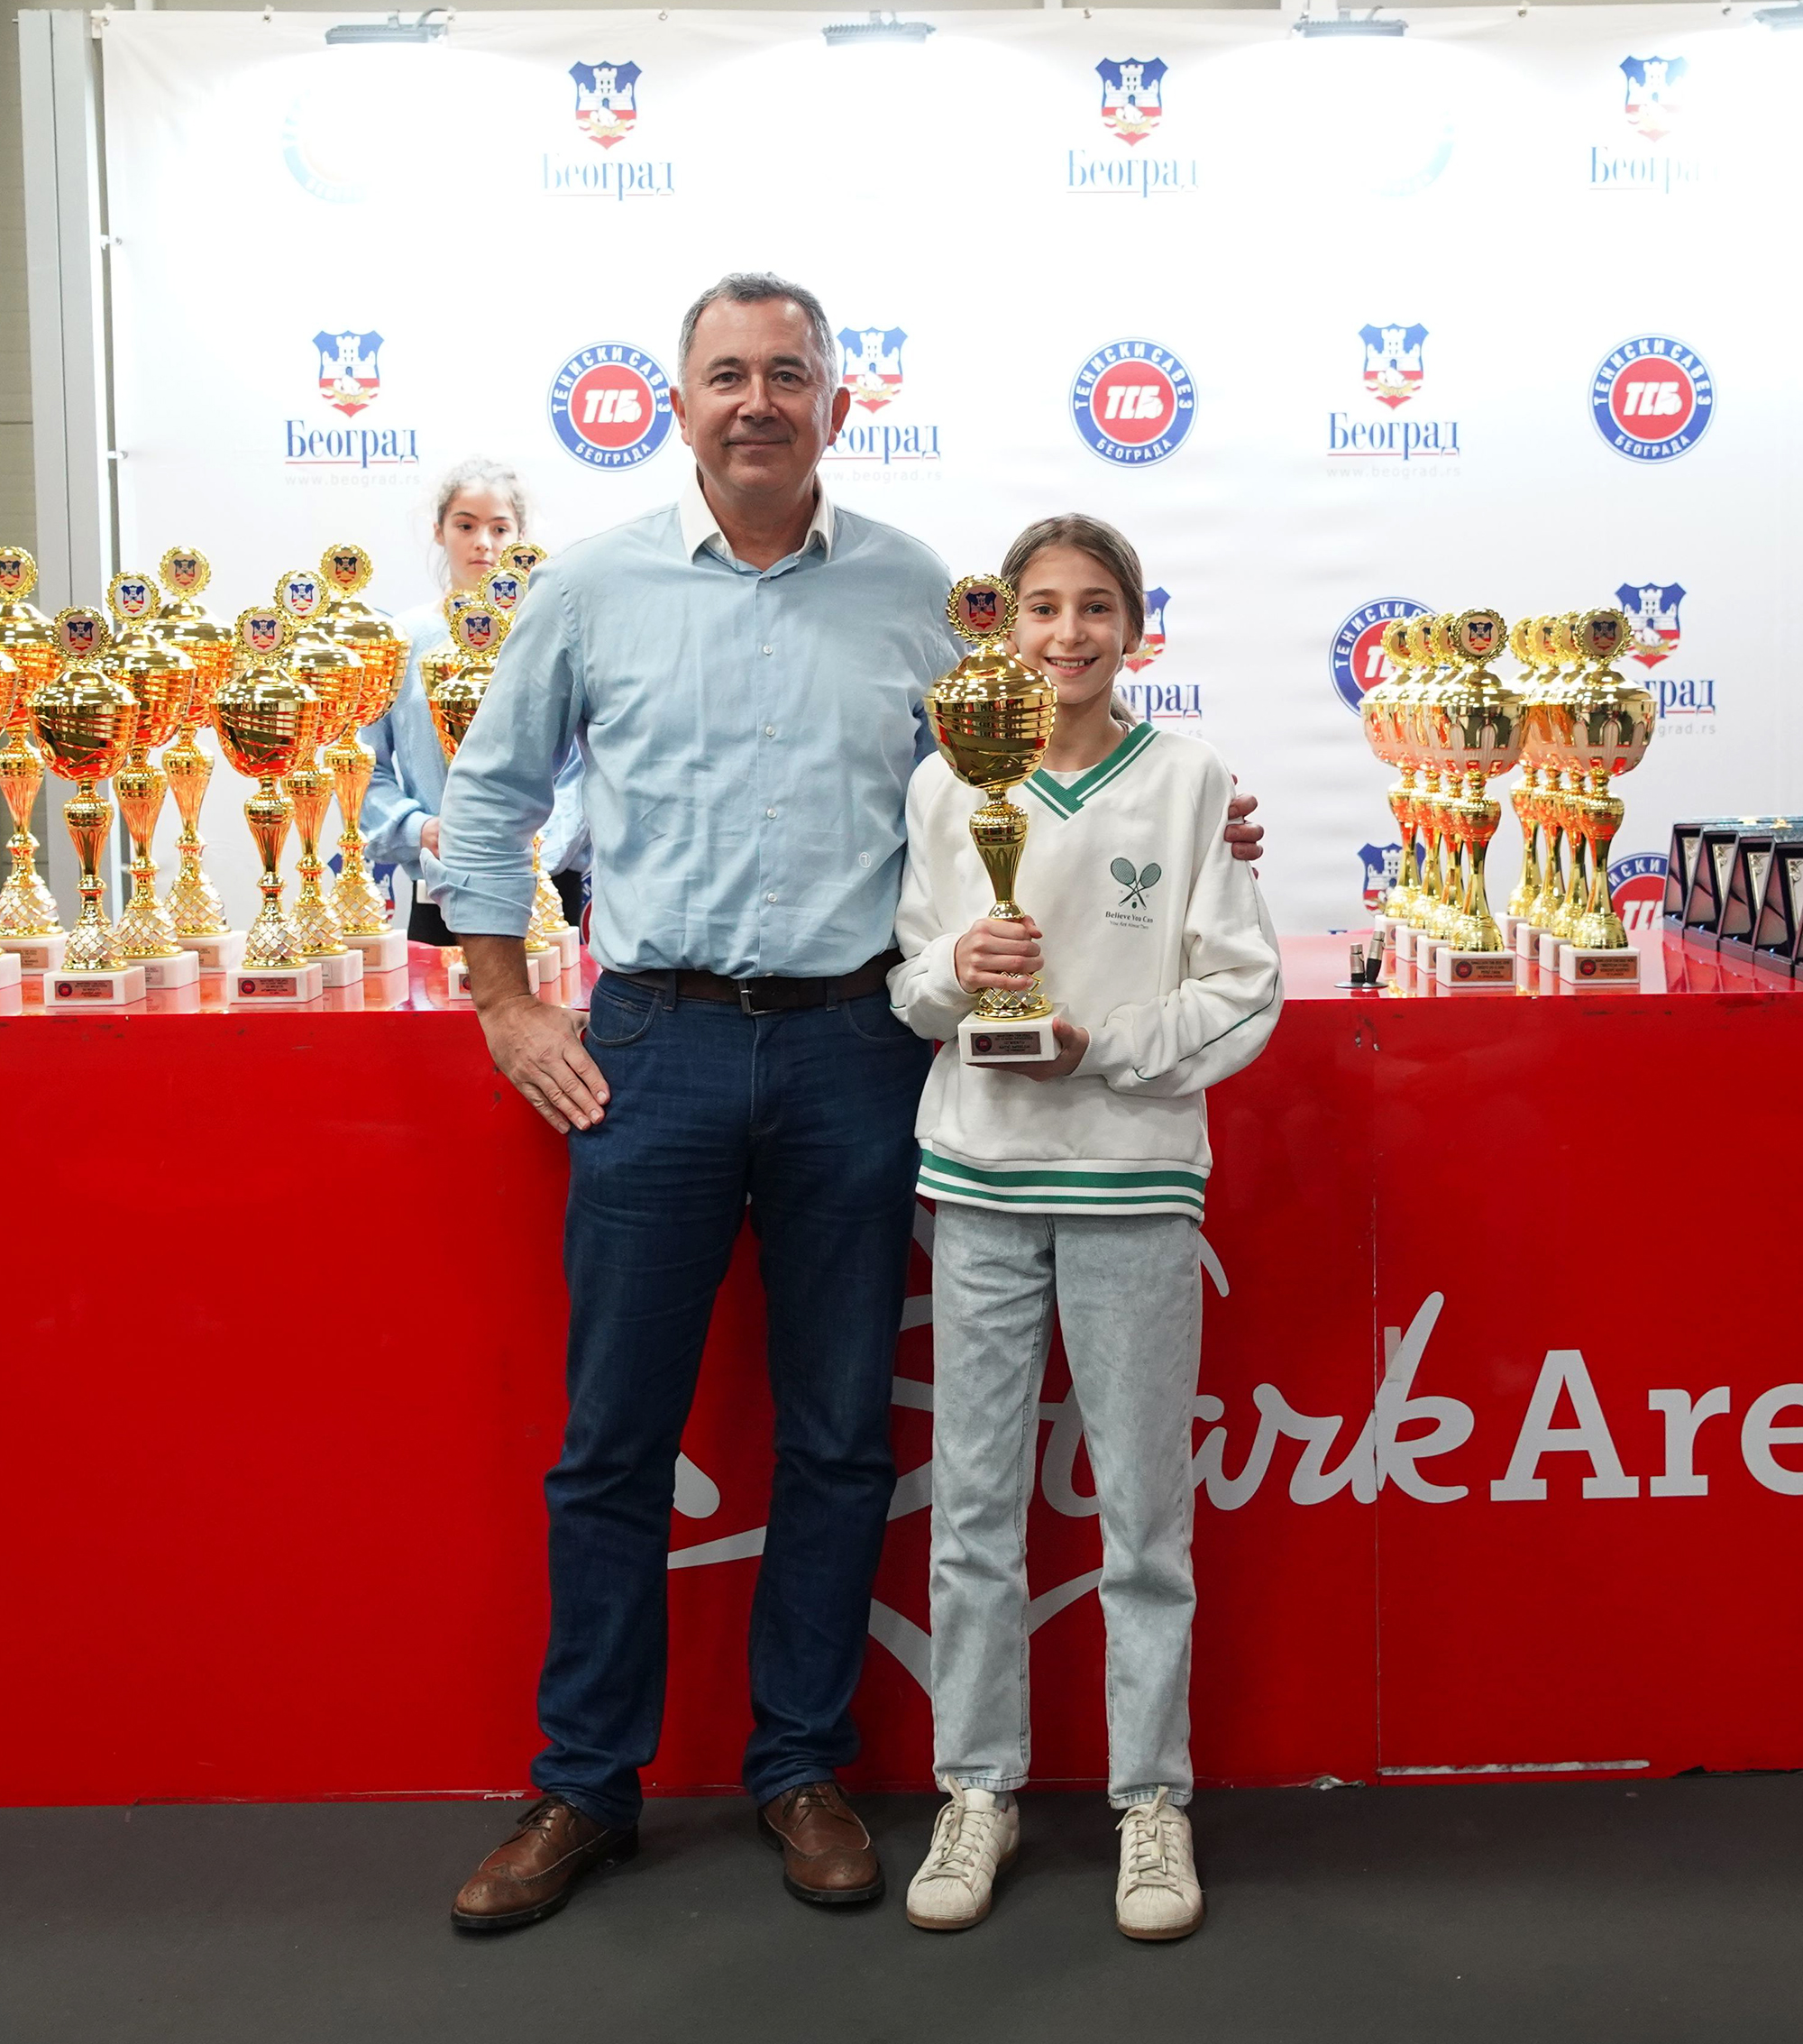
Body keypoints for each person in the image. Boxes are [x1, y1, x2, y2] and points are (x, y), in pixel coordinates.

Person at [424, 275, 1266, 1933]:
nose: (758, 399)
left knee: (833, 1436)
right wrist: (506, 998)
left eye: (789, 374)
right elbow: (491, 788)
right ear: (679, 398)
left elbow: (1033, 775)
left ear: (836, 401)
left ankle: (800, 1765)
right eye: (728, 373)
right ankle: (583, 1781)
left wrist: (1208, 825)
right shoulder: (589, 583)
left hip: (856, 1054)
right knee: (613, 1439)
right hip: (652, 1045)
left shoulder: (918, 598)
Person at [888, 516, 1282, 1942]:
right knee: (973, 1507)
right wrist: (959, 966)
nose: (1068, 633)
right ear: (1007, 626)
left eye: (1096, 606)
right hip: (983, 1177)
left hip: (1131, 1181)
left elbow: (1242, 987)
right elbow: (910, 988)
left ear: (1135, 626)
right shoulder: (948, 777)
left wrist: (1099, 1045)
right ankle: (976, 1784)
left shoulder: (1190, 780)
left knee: (1144, 1515)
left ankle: (1151, 1798)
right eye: (1044, 606)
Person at [362, 458, 588, 945]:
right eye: (465, 525)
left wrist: (534, 848)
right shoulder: (402, 639)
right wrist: (419, 829)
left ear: (520, 536)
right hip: (440, 885)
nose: (483, 542)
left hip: (547, 890)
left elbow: (583, 766)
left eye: (499, 528)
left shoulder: (555, 632)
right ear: (439, 530)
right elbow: (364, 763)